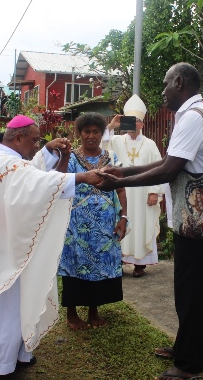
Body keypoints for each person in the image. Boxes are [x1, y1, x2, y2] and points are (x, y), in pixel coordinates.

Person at [97, 62, 203, 380]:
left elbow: (167, 171)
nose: (164, 92)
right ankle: (184, 350)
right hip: (192, 218)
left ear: (179, 82)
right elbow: (168, 162)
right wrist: (121, 172)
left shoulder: (193, 117)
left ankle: (189, 365)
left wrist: (119, 181)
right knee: (186, 290)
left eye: (166, 85)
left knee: (193, 293)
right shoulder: (195, 114)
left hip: (198, 220)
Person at [0, 115, 102, 377]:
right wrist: (83, 177)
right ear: (18, 138)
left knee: (15, 304)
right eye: (35, 140)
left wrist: (51, 153)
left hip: (1, 242)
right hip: (3, 251)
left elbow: (33, 173)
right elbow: (34, 180)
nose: (37, 144)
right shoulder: (8, 165)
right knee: (6, 305)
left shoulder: (1, 159)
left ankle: (16, 353)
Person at [58, 112, 128, 330]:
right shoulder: (70, 159)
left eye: (95, 131)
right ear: (79, 133)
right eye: (86, 131)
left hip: (105, 226)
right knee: (74, 266)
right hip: (76, 226)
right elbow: (59, 183)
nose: (91, 136)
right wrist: (63, 157)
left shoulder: (112, 158)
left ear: (101, 133)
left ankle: (93, 311)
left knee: (99, 266)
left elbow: (121, 189)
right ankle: (71, 314)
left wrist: (124, 216)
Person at [102, 95, 163, 278]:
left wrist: (154, 192)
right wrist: (111, 126)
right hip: (122, 191)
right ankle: (119, 260)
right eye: (129, 120)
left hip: (143, 193)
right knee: (120, 221)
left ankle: (140, 264)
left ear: (142, 124)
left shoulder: (150, 144)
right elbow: (101, 146)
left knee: (141, 225)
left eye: (136, 121)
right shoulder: (117, 141)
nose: (132, 124)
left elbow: (159, 168)